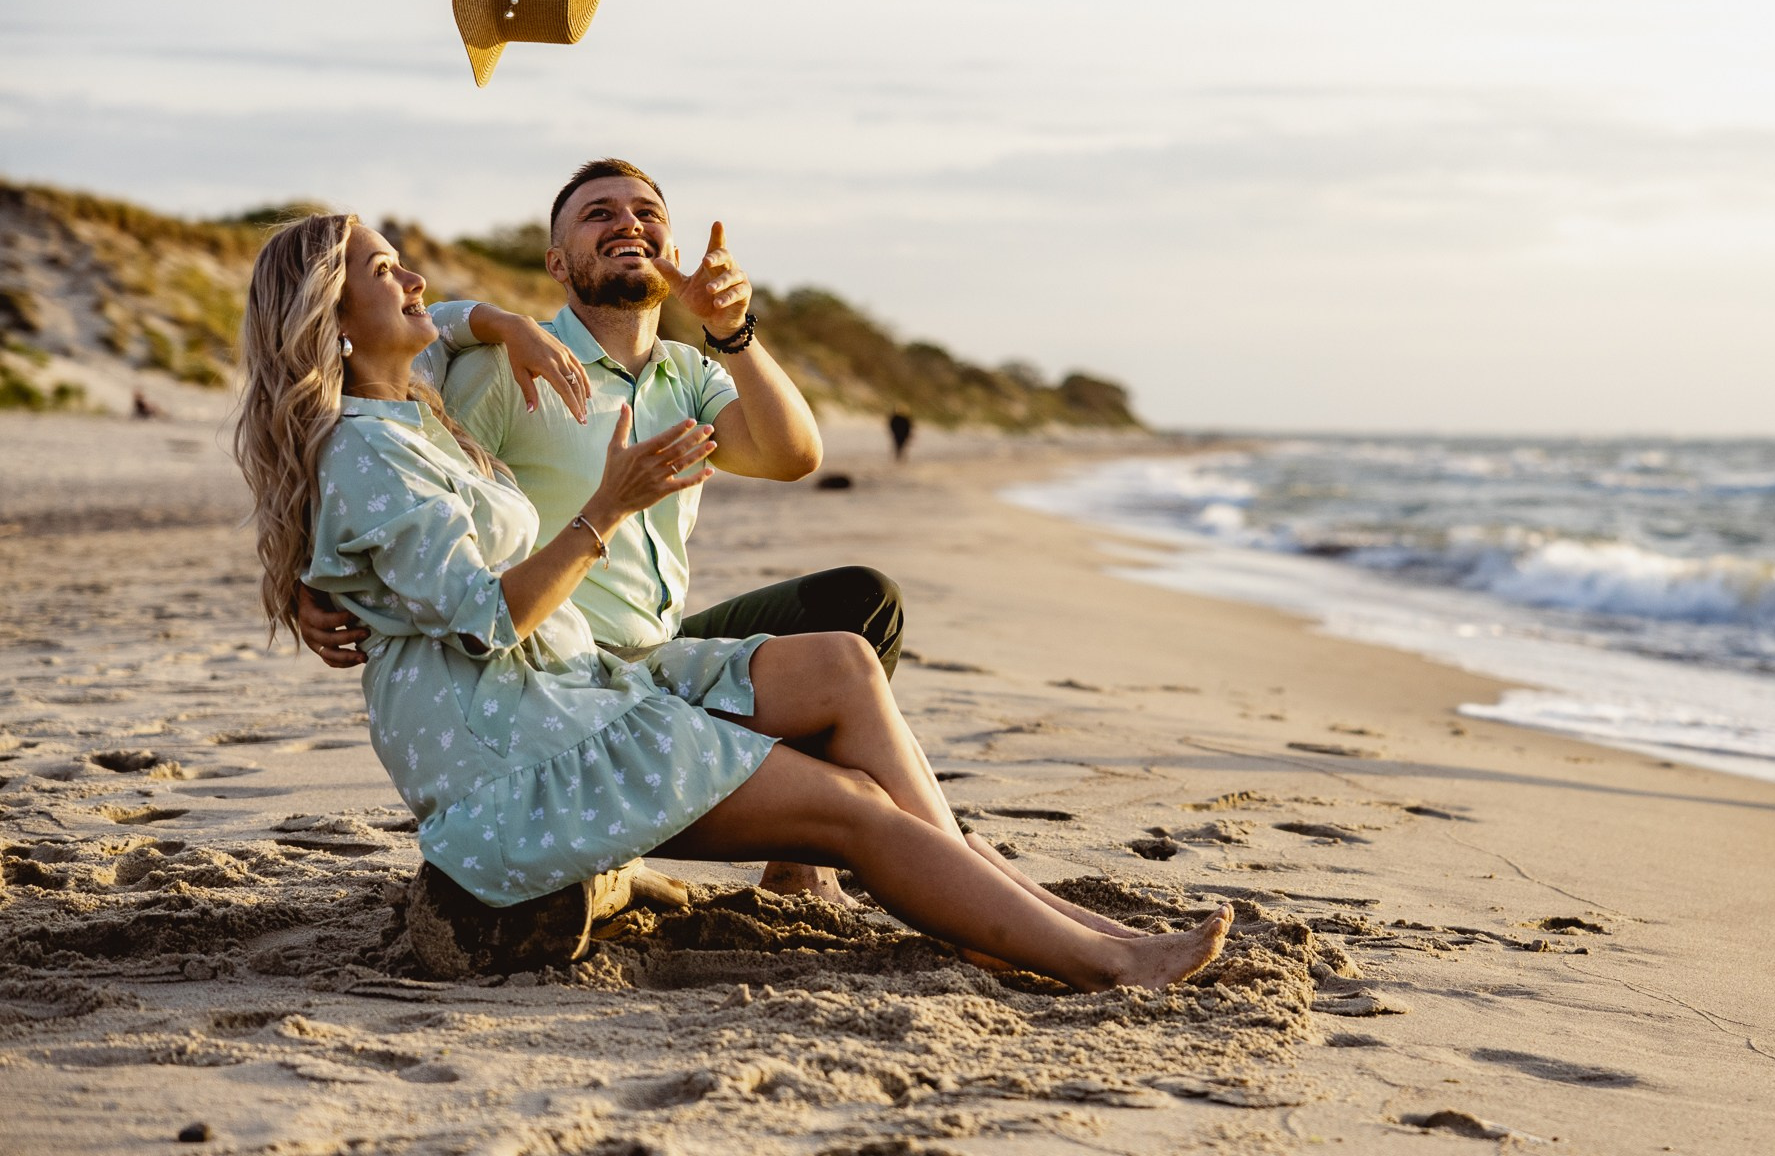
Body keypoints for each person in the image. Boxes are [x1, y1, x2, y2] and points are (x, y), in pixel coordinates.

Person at [232, 212, 1230, 989]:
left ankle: (1015, 915)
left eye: (405, 260)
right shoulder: (411, 421)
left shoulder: (426, 399)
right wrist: (606, 505)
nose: (414, 277)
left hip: (564, 684)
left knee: (845, 651)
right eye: (382, 268)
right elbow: (483, 613)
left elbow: (795, 452)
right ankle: (1090, 956)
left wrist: (498, 319)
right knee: (850, 806)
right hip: (518, 743)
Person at [294, 159, 891, 900]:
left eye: (646, 212)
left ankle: (799, 866)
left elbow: (794, 454)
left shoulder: (688, 373)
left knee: (861, 604)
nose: (628, 223)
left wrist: (733, 330)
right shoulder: (510, 366)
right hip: (561, 677)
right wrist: (309, 579)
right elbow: (383, 454)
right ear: (556, 262)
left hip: (661, 656)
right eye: (598, 214)